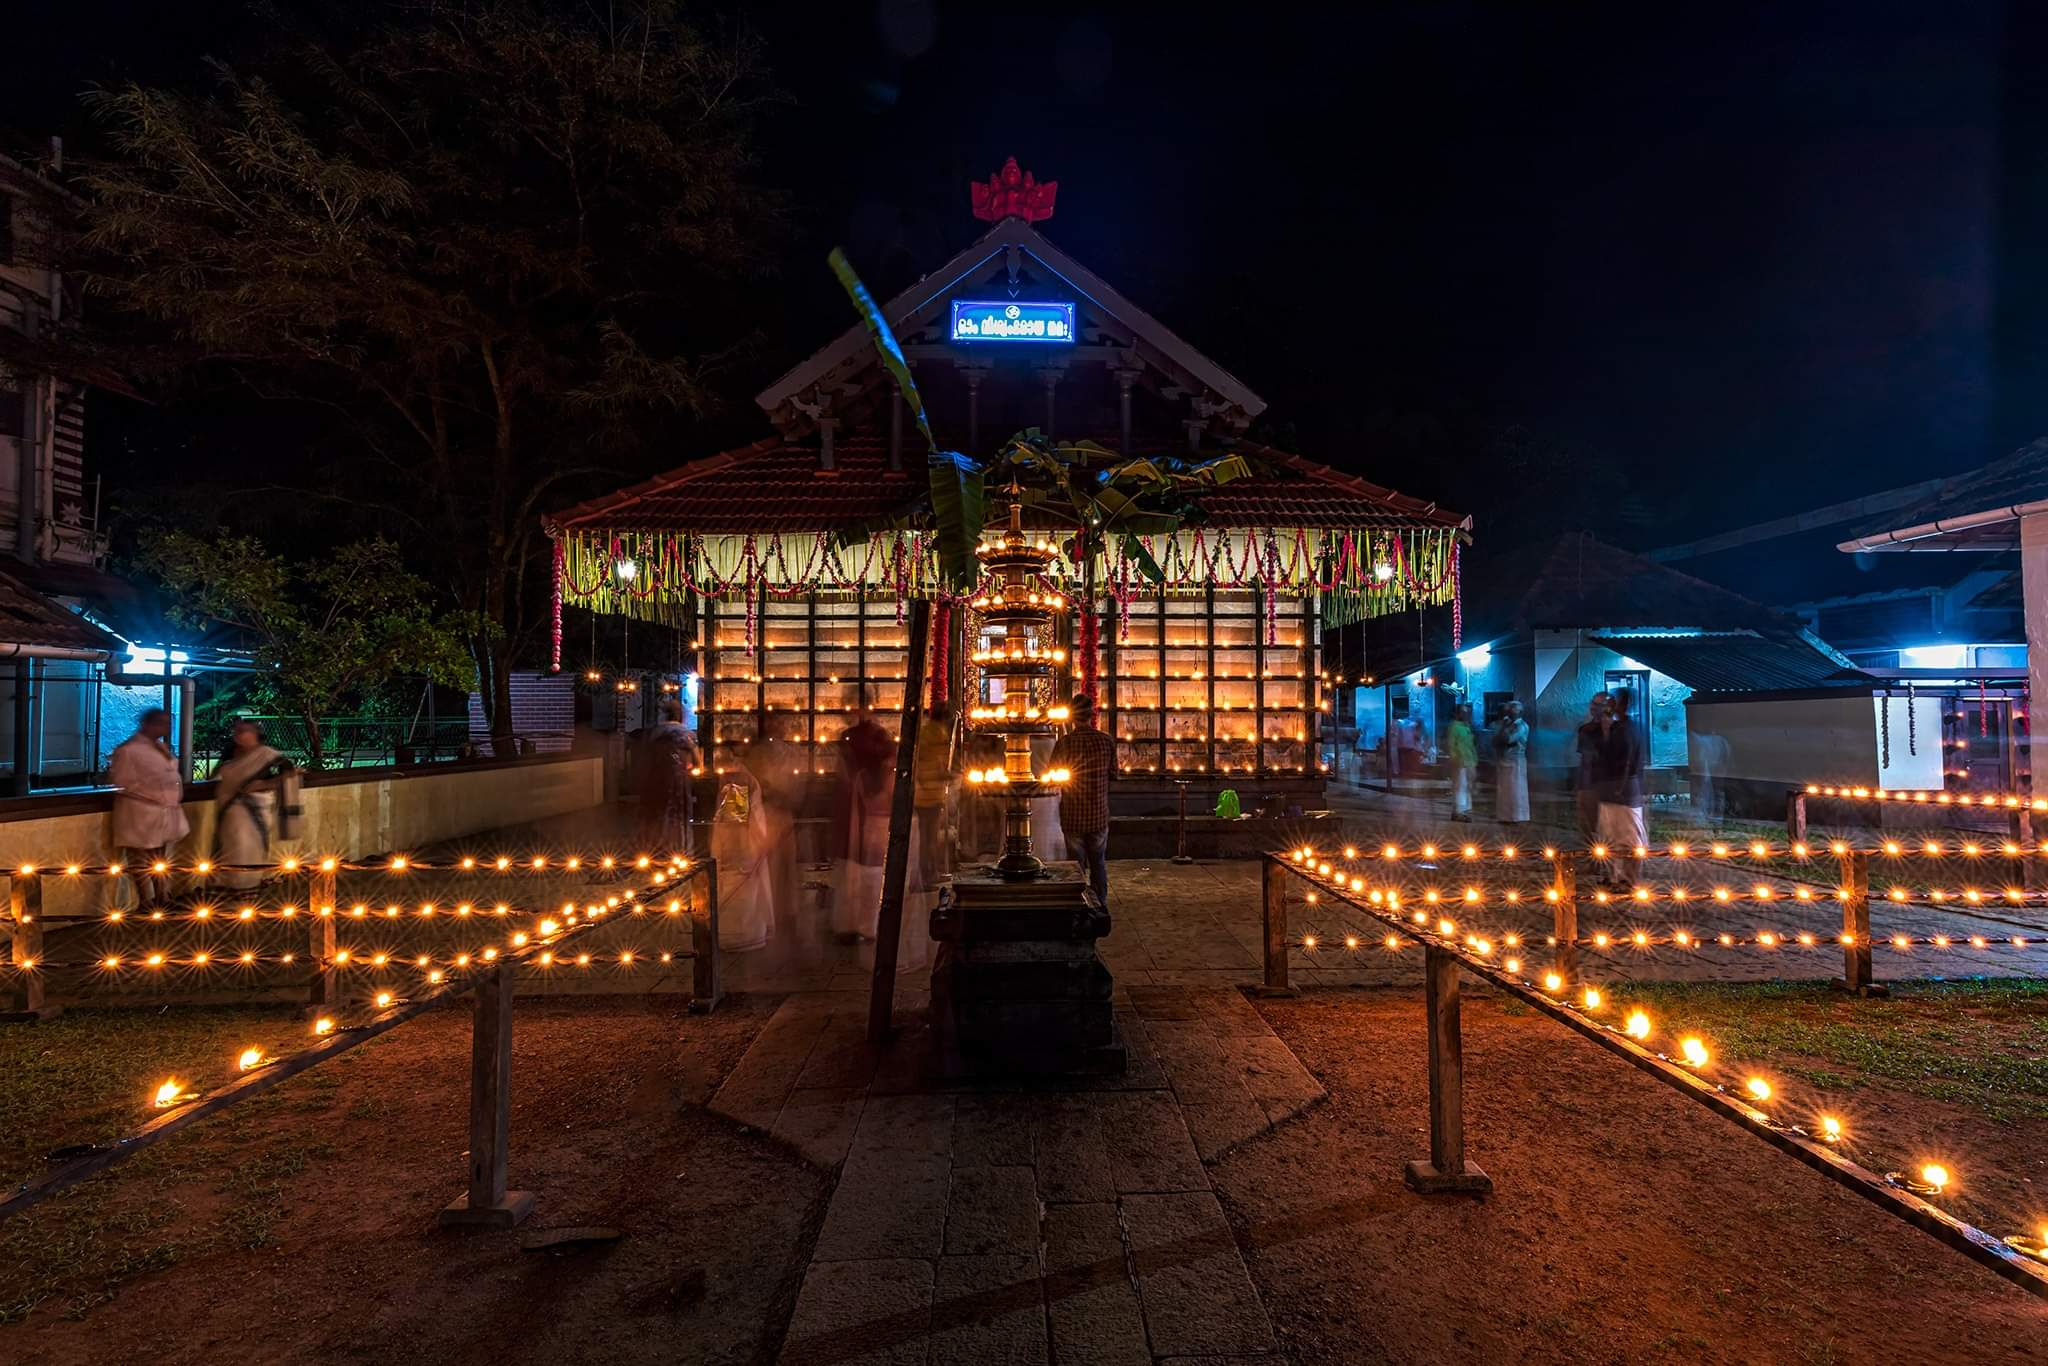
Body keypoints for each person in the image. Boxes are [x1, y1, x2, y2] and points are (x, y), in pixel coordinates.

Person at [110, 708, 189, 907]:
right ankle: (146, 901)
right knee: (139, 858)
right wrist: (155, 795)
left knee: (159, 857)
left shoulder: (161, 747)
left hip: (162, 811)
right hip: (139, 812)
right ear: (148, 724)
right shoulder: (129, 750)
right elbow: (122, 781)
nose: (168, 727)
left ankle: (163, 896)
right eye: (163, 722)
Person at [833, 697, 895, 944]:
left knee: (863, 867)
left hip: (866, 806)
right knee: (859, 867)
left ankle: (860, 922)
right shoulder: (867, 736)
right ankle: (860, 923)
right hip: (859, 805)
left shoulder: (871, 737)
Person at [1048, 693, 1115, 911]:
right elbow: (1115, 773)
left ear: (1072, 718)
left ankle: (1077, 904)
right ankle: (1100, 905)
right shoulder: (1106, 741)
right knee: (1098, 862)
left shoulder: (1064, 744)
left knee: (1075, 865)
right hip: (1098, 813)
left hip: (1073, 813)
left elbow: (1052, 774)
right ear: (1091, 715)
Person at [214, 719, 291, 891]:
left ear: (254, 733)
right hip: (229, 811)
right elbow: (217, 774)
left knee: (247, 848)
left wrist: (261, 785)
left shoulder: (267, 754)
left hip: (254, 810)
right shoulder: (231, 753)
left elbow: (290, 775)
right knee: (230, 848)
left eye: (243, 731)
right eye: (236, 731)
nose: (238, 735)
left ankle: (248, 887)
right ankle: (227, 887)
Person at [1596, 687, 1649, 889]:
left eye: (1613, 701)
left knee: (1629, 835)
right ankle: (1614, 876)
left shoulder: (1630, 729)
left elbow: (1629, 760)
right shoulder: (1614, 727)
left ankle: (1631, 878)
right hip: (1609, 788)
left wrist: (1622, 785)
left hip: (1625, 790)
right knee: (1609, 835)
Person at [637, 699, 700, 856]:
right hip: (678, 781)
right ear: (680, 715)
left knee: (658, 814)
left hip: (655, 781)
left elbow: (645, 759)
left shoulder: (655, 734)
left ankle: (657, 850)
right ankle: (679, 850)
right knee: (678, 815)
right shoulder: (686, 734)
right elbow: (697, 761)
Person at [912, 702, 957, 885]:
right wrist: (951, 776)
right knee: (930, 838)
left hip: (922, 793)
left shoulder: (924, 731)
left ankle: (928, 871)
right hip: (932, 794)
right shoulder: (939, 734)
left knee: (925, 837)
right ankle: (928, 874)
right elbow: (940, 765)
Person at [1574, 692, 1611, 844]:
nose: (1593, 708)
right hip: (1589, 783)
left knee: (1608, 826)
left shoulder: (1617, 729)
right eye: (1592, 703)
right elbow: (1586, 758)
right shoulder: (1586, 729)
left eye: (1598, 705)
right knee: (1588, 826)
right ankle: (1591, 860)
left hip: (1609, 782)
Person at [1491, 699, 1530, 823]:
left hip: (1516, 761)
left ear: (1519, 712)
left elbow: (1508, 739)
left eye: (1512, 709)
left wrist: (1502, 732)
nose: (1508, 712)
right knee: (1504, 790)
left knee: (1516, 790)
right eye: (1509, 709)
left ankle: (1517, 816)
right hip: (1504, 759)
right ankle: (1504, 816)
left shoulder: (1522, 726)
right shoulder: (1506, 723)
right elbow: (1495, 740)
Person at [1445, 704, 1478, 821]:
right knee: (1459, 787)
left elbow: (1471, 745)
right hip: (1459, 762)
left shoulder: (1467, 726)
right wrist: (1455, 759)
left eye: (1467, 712)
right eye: (1463, 712)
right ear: (1458, 713)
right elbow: (1451, 745)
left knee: (1467, 787)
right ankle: (1458, 811)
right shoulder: (1454, 726)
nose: (1465, 714)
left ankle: (1463, 811)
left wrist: (1474, 760)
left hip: (1469, 761)